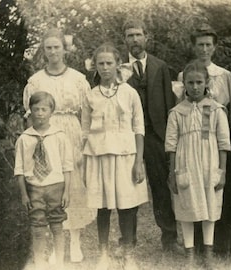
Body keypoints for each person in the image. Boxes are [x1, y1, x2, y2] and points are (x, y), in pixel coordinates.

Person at [23, 28, 94, 263]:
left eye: (57, 47)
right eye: (48, 48)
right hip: (46, 135)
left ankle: (75, 241)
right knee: (51, 185)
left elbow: (86, 112)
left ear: (65, 49)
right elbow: (29, 114)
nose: (53, 52)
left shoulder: (77, 78)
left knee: (72, 186)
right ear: (44, 51)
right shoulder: (36, 81)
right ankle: (56, 244)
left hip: (71, 132)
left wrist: (84, 140)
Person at [175, 23, 231, 255]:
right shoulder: (184, 75)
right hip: (195, 141)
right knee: (196, 188)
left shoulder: (224, 75)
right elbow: (181, 109)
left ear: (214, 47)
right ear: (194, 47)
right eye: (200, 45)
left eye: (208, 45)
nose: (204, 49)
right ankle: (196, 243)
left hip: (219, 137)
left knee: (221, 187)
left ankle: (225, 242)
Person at [82, 44, 148, 270]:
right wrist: (85, 164)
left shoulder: (130, 93)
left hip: (126, 157)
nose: (105, 67)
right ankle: (103, 255)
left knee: (127, 206)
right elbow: (85, 130)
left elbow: (139, 127)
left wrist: (138, 161)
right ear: (95, 66)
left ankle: (129, 254)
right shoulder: (91, 96)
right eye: (100, 63)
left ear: (117, 64)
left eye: (109, 63)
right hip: (99, 157)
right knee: (103, 206)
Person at [165, 61, 231, 268]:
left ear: (206, 83)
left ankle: (208, 251)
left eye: (199, 82)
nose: (195, 87)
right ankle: (190, 253)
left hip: (210, 163)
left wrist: (222, 171)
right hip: (186, 164)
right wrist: (172, 172)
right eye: (190, 83)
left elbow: (223, 143)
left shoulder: (217, 110)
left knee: (210, 204)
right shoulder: (177, 112)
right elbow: (171, 144)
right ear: (184, 84)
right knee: (187, 204)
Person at [122, 19, 179, 252]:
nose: (134, 39)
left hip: (156, 135)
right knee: (128, 185)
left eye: (138, 35)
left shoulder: (160, 66)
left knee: (160, 186)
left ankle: (169, 237)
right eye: (129, 36)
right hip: (129, 135)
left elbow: (168, 104)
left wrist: (168, 137)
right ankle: (128, 239)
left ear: (146, 37)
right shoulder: (119, 69)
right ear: (124, 40)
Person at [15, 91, 73, 270]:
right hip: (35, 188)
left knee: (57, 225)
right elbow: (19, 170)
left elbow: (67, 167)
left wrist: (67, 191)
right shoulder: (24, 139)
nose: (40, 113)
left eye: (44, 109)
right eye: (36, 109)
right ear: (30, 111)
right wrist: (24, 194)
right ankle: (39, 264)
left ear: (51, 112)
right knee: (38, 227)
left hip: (56, 186)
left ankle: (60, 264)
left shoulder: (60, 136)